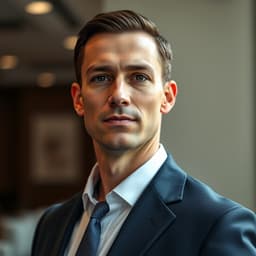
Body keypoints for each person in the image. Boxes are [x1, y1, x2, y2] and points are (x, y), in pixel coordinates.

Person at [31, 10, 256, 256]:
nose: (118, 95)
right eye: (101, 77)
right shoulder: (52, 224)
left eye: (139, 77)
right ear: (79, 99)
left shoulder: (219, 225)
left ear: (167, 97)